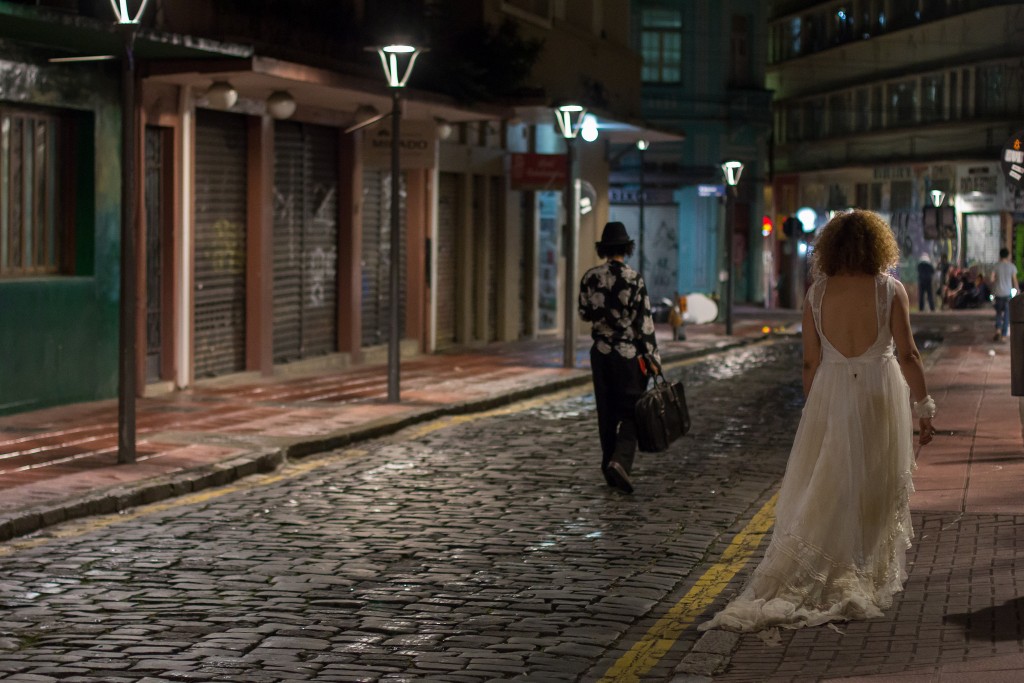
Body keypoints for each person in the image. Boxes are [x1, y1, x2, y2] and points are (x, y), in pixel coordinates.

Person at [699, 209, 936, 634]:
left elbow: (810, 360)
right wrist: (925, 407)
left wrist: (816, 408)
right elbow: (909, 355)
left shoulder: (817, 294)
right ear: (876, 246)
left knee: (830, 482)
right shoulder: (890, 291)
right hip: (880, 393)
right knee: (875, 481)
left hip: (831, 391)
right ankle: (861, 569)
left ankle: (832, 564)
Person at [578, 221, 661, 495]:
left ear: (603, 248)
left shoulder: (590, 277)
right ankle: (621, 461)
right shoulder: (634, 279)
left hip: (601, 354)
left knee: (606, 411)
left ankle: (608, 465)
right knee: (632, 411)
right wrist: (652, 358)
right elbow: (644, 324)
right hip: (627, 356)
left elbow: (584, 312)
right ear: (627, 248)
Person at [990, 247, 1019, 342]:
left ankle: (998, 330)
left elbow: (991, 279)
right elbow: (1015, 281)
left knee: (998, 313)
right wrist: (1017, 290)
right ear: (1008, 255)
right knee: (1007, 314)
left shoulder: (996, 266)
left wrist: (996, 282)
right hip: (1007, 294)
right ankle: (1003, 336)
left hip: (998, 293)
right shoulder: (1012, 266)